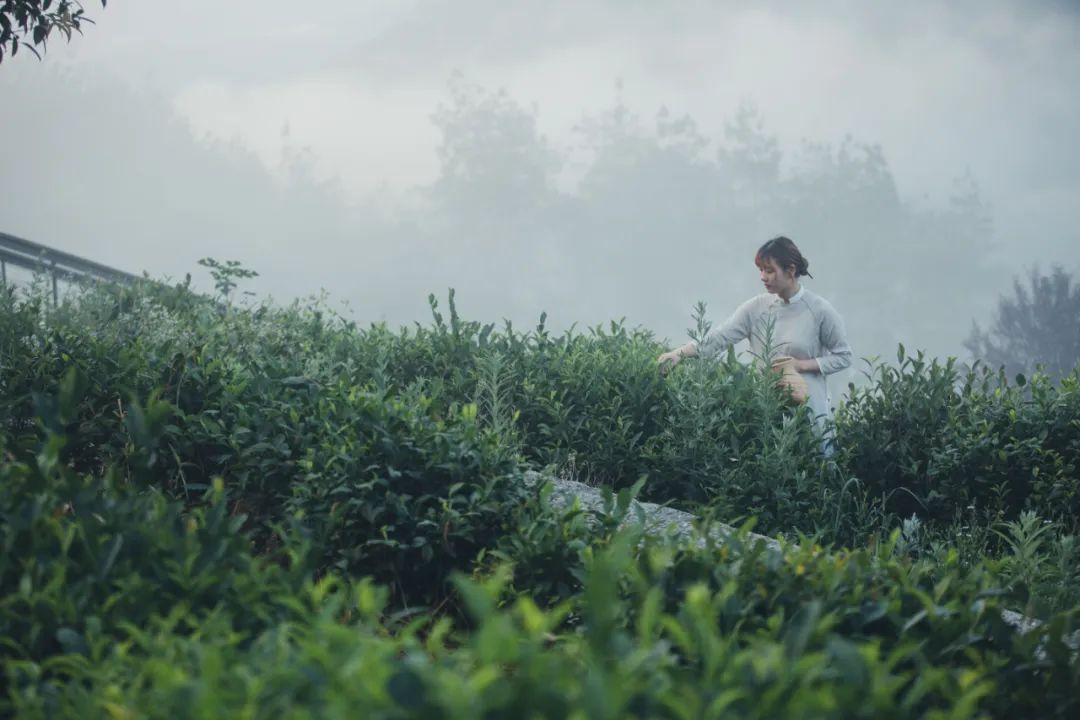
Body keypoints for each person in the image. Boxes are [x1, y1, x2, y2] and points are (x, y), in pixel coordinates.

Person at [656, 236, 852, 438]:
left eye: (769, 270)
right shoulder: (756, 308)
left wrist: (801, 365)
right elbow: (720, 337)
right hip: (767, 413)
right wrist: (679, 354)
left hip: (811, 414)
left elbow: (844, 356)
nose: (763, 277)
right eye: (761, 270)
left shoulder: (819, 311)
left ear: (791, 271)